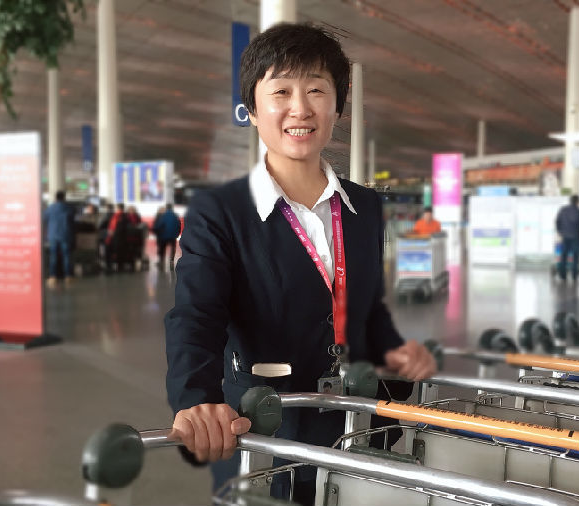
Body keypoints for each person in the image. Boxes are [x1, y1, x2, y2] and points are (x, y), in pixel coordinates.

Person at [164, 23, 436, 503]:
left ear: (337, 107)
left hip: (359, 424)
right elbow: (196, 313)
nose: (300, 108)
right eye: (281, 91)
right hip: (269, 429)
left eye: (316, 90)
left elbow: (364, 305)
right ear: (252, 109)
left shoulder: (364, 207)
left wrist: (393, 352)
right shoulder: (220, 212)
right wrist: (197, 399)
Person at [43, 190, 74, 287]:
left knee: (53, 256)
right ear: (64, 198)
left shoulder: (50, 208)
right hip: (65, 234)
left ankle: (53, 277)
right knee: (66, 256)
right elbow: (72, 220)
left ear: (55, 198)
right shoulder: (69, 208)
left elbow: (44, 219)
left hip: (53, 235)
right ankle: (68, 276)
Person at [555, 195, 579, 282]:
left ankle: (563, 276)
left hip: (564, 237)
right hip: (576, 237)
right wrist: (577, 230)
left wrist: (560, 231)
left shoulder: (563, 210)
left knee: (563, 256)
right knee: (575, 257)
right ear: (578, 202)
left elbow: (557, 221)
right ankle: (574, 276)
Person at [153, 203, 182, 271]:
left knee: (162, 248)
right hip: (173, 236)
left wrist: (156, 231)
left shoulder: (163, 215)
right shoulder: (175, 215)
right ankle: (171, 261)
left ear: (166, 208)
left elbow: (160, 225)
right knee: (173, 248)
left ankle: (161, 261)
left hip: (163, 235)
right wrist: (177, 234)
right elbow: (179, 225)